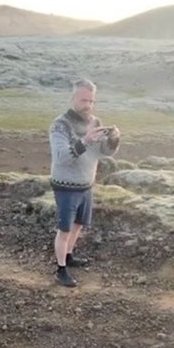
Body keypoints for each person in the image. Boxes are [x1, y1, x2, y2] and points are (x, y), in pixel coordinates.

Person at [48, 78, 121, 287]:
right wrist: (85, 141)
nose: (88, 105)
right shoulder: (60, 125)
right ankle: (60, 269)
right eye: (83, 100)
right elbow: (62, 156)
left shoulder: (95, 123)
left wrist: (114, 140)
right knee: (65, 229)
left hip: (86, 184)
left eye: (91, 101)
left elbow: (104, 152)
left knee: (78, 225)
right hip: (65, 185)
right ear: (72, 98)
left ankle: (69, 256)